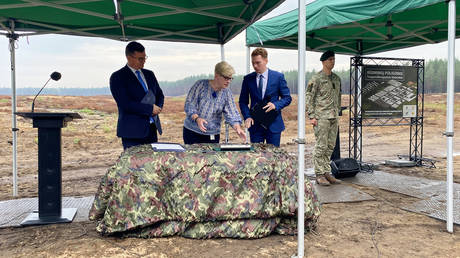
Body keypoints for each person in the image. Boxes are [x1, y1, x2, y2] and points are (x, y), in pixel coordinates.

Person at [110, 41, 164, 150]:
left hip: (151, 129)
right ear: (129, 57)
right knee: (135, 165)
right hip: (132, 132)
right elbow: (125, 103)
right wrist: (150, 109)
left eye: (145, 58)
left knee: (152, 164)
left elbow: (160, 94)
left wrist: (158, 108)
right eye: (140, 59)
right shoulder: (118, 77)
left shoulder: (150, 74)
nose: (143, 61)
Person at [239, 47, 292, 147]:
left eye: (258, 62)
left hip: (274, 125)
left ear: (266, 60)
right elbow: (243, 101)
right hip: (255, 126)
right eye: (253, 63)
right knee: (257, 158)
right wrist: (247, 117)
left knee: (273, 158)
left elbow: (287, 98)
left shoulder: (278, 77)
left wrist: (275, 105)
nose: (255, 66)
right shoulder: (248, 79)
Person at [183, 61, 246, 144]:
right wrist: (197, 118)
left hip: (212, 135)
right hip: (192, 132)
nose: (228, 81)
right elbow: (189, 105)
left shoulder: (227, 93)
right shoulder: (200, 85)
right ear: (216, 75)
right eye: (226, 78)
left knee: (211, 156)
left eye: (230, 78)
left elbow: (232, 113)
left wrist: (237, 128)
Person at [306, 50, 342, 186]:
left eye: (334, 59)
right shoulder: (316, 79)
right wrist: (312, 116)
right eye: (330, 60)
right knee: (321, 146)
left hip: (333, 116)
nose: (332, 62)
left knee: (330, 146)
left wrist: (337, 111)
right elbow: (309, 98)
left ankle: (327, 172)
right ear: (323, 61)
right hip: (321, 117)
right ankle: (319, 174)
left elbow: (338, 96)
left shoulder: (336, 79)